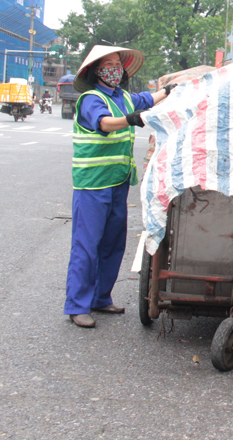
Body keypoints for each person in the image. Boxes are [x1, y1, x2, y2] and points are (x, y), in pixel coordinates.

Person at [64, 45, 175, 329]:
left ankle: (101, 297)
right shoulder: (91, 99)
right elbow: (105, 124)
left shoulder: (124, 97)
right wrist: (130, 119)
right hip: (92, 184)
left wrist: (170, 91)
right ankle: (77, 306)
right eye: (108, 64)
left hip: (118, 181)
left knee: (113, 242)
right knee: (87, 245)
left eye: (117, 64)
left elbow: (147, 98)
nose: (115, 69)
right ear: (95, 71)